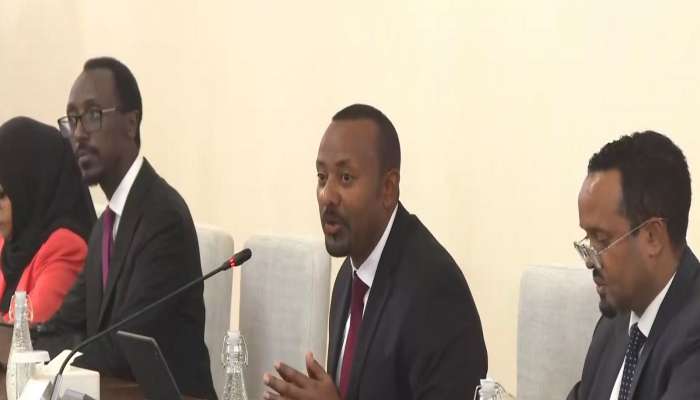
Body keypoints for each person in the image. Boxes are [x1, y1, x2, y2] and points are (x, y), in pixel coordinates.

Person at [263, 104, 488, 400]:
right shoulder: (350, 276)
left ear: (388, 189)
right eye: (322, 177)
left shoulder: (434, 290)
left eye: (345, 178)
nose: (327, 195)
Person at [40, 57, 216, 399]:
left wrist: (59, 353)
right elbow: (60, 326)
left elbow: (124, 349)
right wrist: (42, 343)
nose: (78, 134)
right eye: (72, 120)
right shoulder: (104, 227)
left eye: (92, 115)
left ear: (131, 123)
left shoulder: (162, 218)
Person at [568, 131, 700, 399]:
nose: (590, 261)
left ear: (652, 237)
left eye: (602, 240)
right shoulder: (615, 324)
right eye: (588, 240)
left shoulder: (693, 338)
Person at [0, 117, 95, 324]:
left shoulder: (66, 248)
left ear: (32, 187)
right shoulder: (8, 242)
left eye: (2, 194)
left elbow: (23, 333)